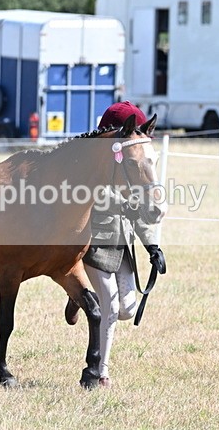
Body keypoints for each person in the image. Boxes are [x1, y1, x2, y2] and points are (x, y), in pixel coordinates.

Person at [65, 102, 167, 387]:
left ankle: (76, 296)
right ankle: (101, 372)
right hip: (92, 244)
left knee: (126, 309)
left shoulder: (133, 169)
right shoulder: (92, 166)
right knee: (109, 303)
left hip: (121, 245)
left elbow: (141, 214)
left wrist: (152, 247)